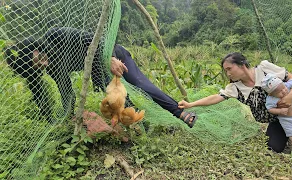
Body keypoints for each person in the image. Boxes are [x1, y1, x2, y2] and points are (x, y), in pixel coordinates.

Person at [5, 27, 197, 127]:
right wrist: (68, 115)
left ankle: (179, 112)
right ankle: (140, 123)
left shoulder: (55, 35)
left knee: (139, 83)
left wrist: (112, 58)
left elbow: (97, 39)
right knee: (114, 100)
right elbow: (66, 93)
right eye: (39, 67)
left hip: (113, 54)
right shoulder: (54, 68)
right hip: (99, 70)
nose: (44, 64)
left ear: (34, 48)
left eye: (40, 59)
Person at [178, 52, 292, 152]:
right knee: (273, 147)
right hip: (278, 119)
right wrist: (191, 104)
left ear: (241, 64)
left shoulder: (264, 69)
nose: (228, 74)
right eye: (225, 71)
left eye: (229, 69)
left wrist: (291, 96)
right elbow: (215, 98)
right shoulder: (235, 88)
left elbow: (291, 78)